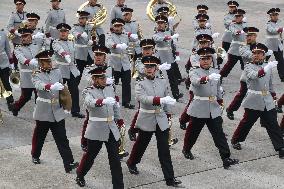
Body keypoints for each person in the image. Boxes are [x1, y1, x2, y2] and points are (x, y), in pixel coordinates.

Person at [126, 55, 182, 187]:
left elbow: (166, 96)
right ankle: (132, 162)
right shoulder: (140, 82)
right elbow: (142, 98)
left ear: (156, 68)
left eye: (151, 67)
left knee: (164, 150)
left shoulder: (162, 81)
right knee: (141, 145)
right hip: (147, 119)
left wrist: (168, 112)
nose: (149, 69)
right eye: (147, 66)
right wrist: (159, 100)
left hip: (161, 119)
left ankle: (170, 178)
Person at [182, 47, 239, 169]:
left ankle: (226, 158)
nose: (206, 61)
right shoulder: (194, 71)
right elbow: (195, 82)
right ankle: (186, 149)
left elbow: (218, 89)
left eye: (208, 58)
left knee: (219, 134)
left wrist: (220, 100)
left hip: (213, 108)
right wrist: (207, 78)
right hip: (199, 108)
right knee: (193, 133)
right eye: (203, 59)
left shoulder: (215, 71)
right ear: (199, 60)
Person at [230, 43, 284, 159]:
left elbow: (270, 85)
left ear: (264, 55)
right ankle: (235, 139)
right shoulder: (248, 66)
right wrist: (266, 68)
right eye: (254, 53)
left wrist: (274, 97)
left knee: (273, 124)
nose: (256, 55)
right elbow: (254, 76)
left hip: (267, 100)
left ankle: (280, 147)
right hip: (253, 100)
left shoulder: (267, 66)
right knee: (247, 123)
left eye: (259, 53)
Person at [75, 66, 124, 188]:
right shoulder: (88, 91)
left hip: (111, 128)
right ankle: (80, 174)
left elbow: (115, 106)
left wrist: (119, 120)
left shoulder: (110, 89)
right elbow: (89, 103)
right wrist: (101, 101)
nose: (104, 79)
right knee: (90, 156)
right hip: (96, 129)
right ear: (95, 79)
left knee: (115, 160)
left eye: (104, 77)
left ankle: (118, 186)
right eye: (101, 78)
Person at [31, 50, 79, 172]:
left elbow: (63, 90)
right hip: (43, 111)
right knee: (40, 136)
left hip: (57, 110)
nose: (49, 63)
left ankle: (69, 163)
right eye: (46, 62)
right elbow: (38, 85)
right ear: (40, 63)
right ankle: (35, 155)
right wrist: (50, 87)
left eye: (49, 61)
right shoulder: (36, 74)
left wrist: (67, 105)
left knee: (62, 138)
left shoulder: (57, 72)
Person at [52, 23, 85, 118]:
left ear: (68, 32)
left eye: (65, 31)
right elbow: (59, 50)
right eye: (61, 31)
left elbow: (74, 56)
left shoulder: (72, 42)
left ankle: (75, 111)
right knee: (58, 90)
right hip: (61, 69)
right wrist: (64, 54)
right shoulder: (55, 42)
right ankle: (55, 110)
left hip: (71, 69)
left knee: (74, 90)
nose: (63, 33)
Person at [106, 18, 136, 109]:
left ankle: (126, 102)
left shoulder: (126, 35)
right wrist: (116, 45)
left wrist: (131, 55)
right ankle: (111, 100)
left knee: (127, 83)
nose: (117, 28)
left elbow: (132, 45)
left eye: (119, 26)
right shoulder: (110, 35)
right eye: (115, 26)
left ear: (122, 27)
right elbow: (108, 44)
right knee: (112, 83)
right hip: (114, 63)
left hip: (125, 63)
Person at [153, 15, 183, 100]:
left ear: (165, 24)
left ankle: (176, 94)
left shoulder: (169, 31)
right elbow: (159, 39)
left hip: (169, 57)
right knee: (158, 77)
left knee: (172, 77)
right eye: (158, 23)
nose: (160, 25)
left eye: (162, 23)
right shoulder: (156, 34)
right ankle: (158, 95)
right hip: (160, 58)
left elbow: (173, 45)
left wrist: (176, 55)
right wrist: (169, 37)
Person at [12, 28, 41, 116]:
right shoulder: (18, 49)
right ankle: (15, 107)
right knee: (25, 97)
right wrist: (29, 61)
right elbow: (21, 59)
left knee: (39, 96)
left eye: (25, 36)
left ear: (30, 37)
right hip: (26, 77)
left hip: (37, 76)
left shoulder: (36, 46)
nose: (23, 38)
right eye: (22, 36)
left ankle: (39, 114)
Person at [219, 9, 247, 79]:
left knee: (246, 66)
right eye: (236, 16)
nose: (237, 18)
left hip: (243, 50)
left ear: (242, 17)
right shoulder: (232, 25)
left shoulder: (245, 24)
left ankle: (247, 80)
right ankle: (219, 77)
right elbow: (235, 32)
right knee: (228, 65)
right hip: (234, 49)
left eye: (239, 16)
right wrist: (240, 31)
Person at [71, 10, 94, 83]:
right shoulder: (75, 27)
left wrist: (93, 41)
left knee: (92, 70)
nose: (81, 20)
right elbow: (74, 33)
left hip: (88, 53)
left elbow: (94, 36)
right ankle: (74, 87)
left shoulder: (90, 27)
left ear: (86, 19)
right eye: (80, 18)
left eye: (83, 19)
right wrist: (80, 35)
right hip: (79, 53)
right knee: (78, 73)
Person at [7, 0, 28, 69]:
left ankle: (24, 64)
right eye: (17, 4)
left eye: (20, 4)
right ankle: (15, 66)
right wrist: (16, 32)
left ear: (23, 5)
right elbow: (9, 26)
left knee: (25, 50)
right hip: (16, 37)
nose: (18, 6)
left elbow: (28, 25)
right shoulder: (13, 15)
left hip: (25, 36)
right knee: (16, 51)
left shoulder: (26, 14)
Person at [265, 8, 284, 82]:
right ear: (270, 16)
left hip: (278, 44)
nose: (275, 16)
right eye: (273, 15)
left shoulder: (280, 22)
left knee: (281, 61)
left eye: (276, 15)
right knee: (264, 60)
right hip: (270, 44)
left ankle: (282, 77)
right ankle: (260, 73)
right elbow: (272, 30)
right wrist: (280, 29)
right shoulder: (268, 24)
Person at [0, 29, 15, 110]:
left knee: (6, 84)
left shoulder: (2, 34)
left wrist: (11, 61)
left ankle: (10, 101)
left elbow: (7, 48)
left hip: (3, 63)